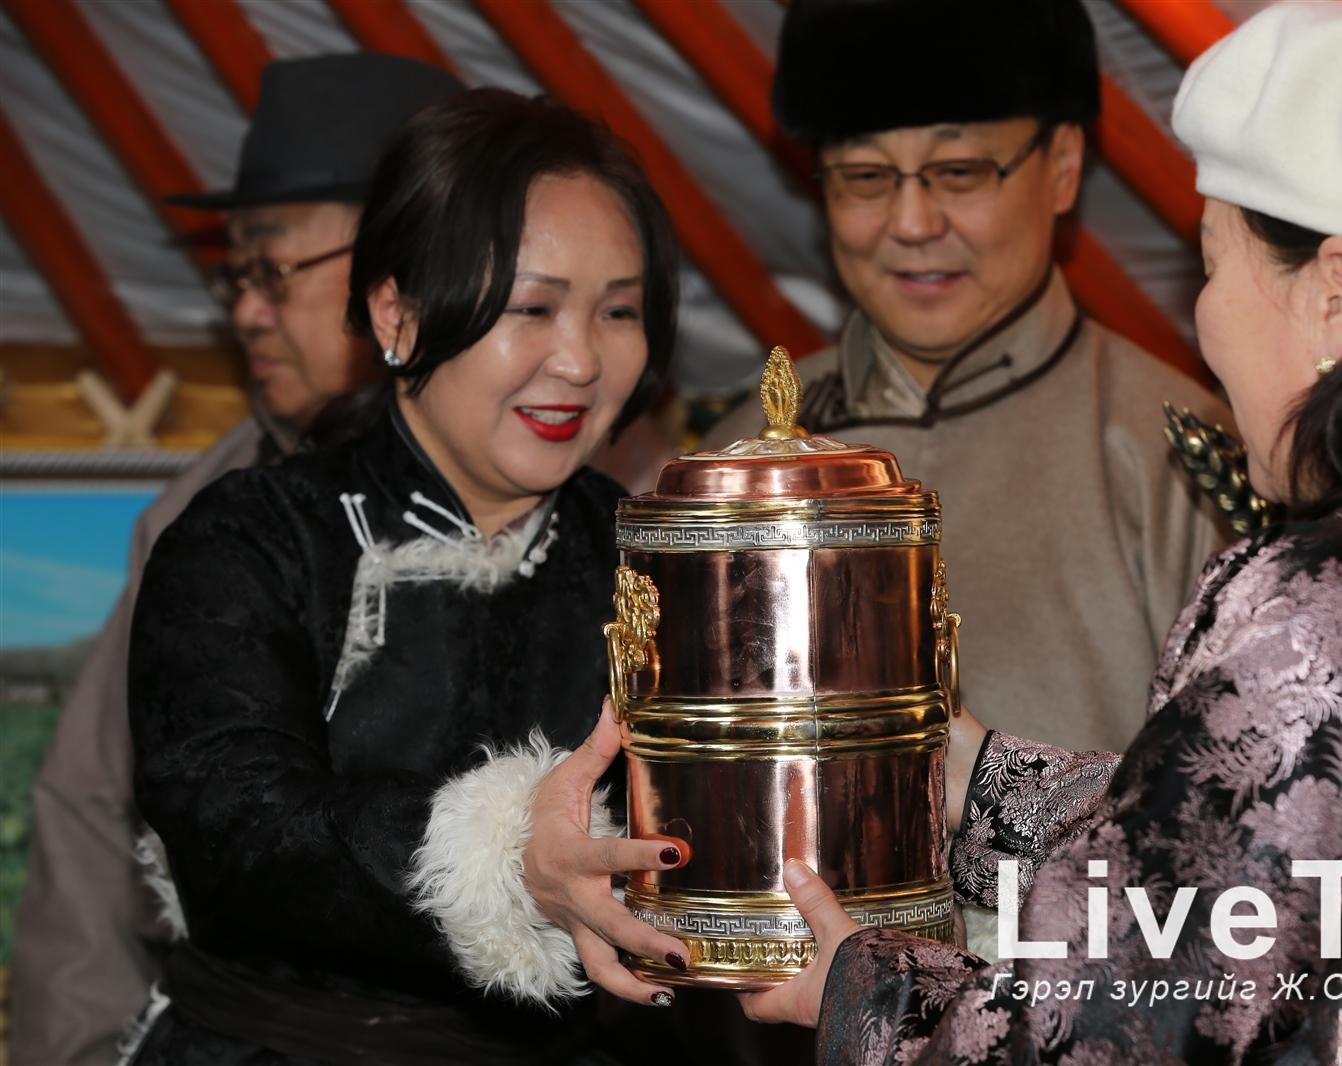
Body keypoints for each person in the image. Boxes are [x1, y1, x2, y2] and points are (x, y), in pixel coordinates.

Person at [738, 5, 1342, 1062]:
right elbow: (1258, 850)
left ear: (1336, 298)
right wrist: (970, 777)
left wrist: (863, 990)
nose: (1204, 316)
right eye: (863, 176)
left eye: (1212, 265)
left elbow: (1130, 1018)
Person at [123, 89, 691, 1064]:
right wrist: (503, 857)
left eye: (620, 311)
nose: (583, 358)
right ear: (398, 310)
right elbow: (235, 820)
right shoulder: (251, 538)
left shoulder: (659, 553)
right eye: (533, 306)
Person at [10, 53, 463, 1066]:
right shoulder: (197, 513)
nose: (245, 310)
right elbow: (91, 812)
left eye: (274, 271)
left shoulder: (572, 500)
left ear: (406, 272)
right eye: (237, 274)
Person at [705, 0, 1232, 756]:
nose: (913, 223)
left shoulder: (1178, 453)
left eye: (959, 172)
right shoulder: (734, 462)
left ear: (1062, 167)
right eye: (864, 176)